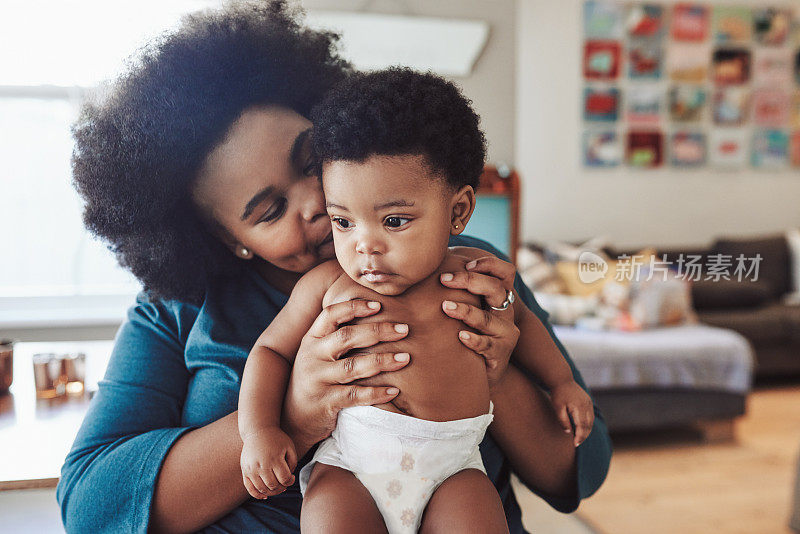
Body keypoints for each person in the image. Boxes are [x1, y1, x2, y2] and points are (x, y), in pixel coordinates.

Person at [56, 2, 612, 533]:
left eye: (311, 160)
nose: (318, 201)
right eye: (270, 211)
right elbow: (90, 505)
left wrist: (496, 366)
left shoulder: (468, 270)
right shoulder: (176, 308)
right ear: (231, 240)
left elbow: (579, 471)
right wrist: (294, 416)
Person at [237, 69, 595, 534]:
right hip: (351, 469)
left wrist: (562, 382)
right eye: (343, 222)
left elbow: (522, 323)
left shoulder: (475, 273)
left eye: (395, 221)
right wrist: (259, 431)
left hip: (455, 467)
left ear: (459, 211)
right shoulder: (327, 285)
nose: (365, 245)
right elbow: (270, 352)